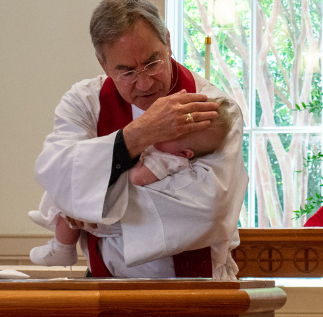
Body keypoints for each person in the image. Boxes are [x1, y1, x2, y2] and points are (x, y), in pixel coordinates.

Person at [34, 0, 247, 280]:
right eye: (127, 72)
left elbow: (209, 209)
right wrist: (138, 134)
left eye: (152, 62)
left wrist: (96, 217)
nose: (144, 82)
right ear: (103, 64)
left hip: (198, 288)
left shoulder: (213, 110)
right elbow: (59, 176)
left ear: (168, 43)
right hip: (105, 290)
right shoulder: (84, 103)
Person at [28, 97, 236, 270]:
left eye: (174, 133)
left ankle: (62, 245)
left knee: (76, 198)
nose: (166, 130)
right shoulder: (86, 96)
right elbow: (58, 167)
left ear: (185, 153)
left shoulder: (167, 159)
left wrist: (112, 167)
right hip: (112, 244)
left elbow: (137, 178)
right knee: (69, 184)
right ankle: (54, 222)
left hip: (123, 217)